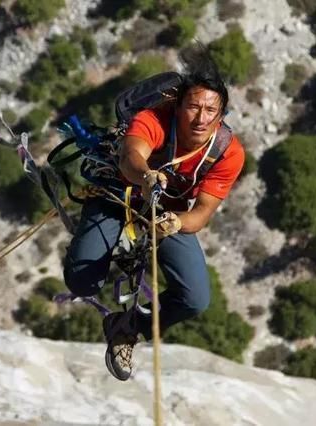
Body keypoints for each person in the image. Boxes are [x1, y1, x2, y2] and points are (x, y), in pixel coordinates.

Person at [62, 50, 245, 381]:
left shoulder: (227, 153)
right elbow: (131, 155)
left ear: (220, 115)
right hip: (118, 194)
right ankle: (90, 251)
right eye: (193, 107)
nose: (201, 118)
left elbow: (201, 213)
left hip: (167, 212)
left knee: (195, 299)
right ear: (178, 105)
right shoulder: (154, 119)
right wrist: (146, 175)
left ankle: (127, 327)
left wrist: (176, 222)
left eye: (210, 110)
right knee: (82, 280)